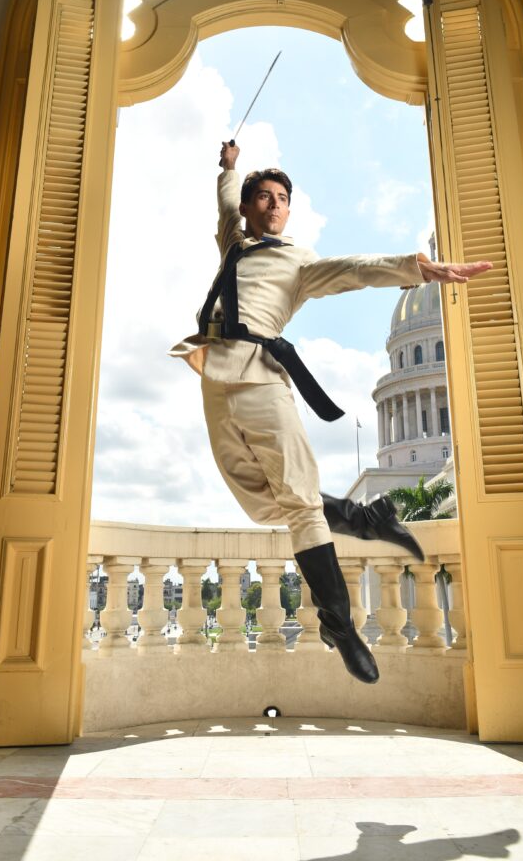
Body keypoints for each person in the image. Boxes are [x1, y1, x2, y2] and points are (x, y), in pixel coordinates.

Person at [170, 143, 492, 683]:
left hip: (262, 375)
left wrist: (415, 268)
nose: (275, 205)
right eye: (265, 198)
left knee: (297, 501)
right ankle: (366, 519)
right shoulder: (234, 243)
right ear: (250, 208)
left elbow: (352, 270)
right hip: (212, 369)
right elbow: (226, 208)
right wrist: (227, 169)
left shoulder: (297, 261)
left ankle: (339, 624)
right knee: (262, 505)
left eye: (283, 199)